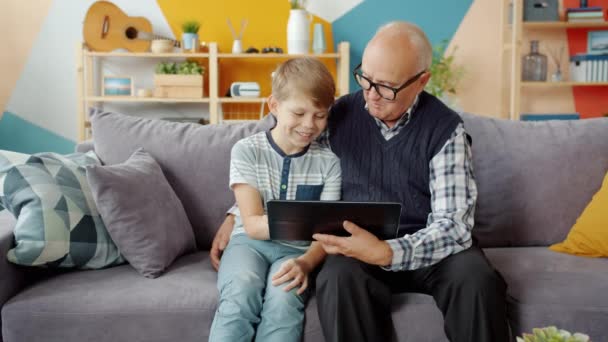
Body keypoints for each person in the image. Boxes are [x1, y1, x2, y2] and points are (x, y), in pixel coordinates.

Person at [211, 21, 511, 342]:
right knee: (338, 279)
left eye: (386, 87)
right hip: (356, 248)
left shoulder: (445, 129)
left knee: (477, 280)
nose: (371, 96)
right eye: (365, 79)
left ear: (421, 81)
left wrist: (386, 252)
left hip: (431, 249)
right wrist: (237, 214)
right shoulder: (338, 115)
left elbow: (453, 226)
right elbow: (288, 155)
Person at [208, 57, 341, 342]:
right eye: (299, 113)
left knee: (284, 302)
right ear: (274, 105)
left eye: (320, 115)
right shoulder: (246, 151)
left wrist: (306, 262)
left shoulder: (329, 163)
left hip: (297, 252)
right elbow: (254, 226)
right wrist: (310, 221)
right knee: (241, 290)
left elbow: (325, 236)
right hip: (249, 245)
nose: (309, 124)